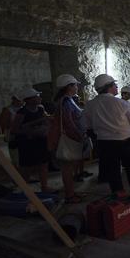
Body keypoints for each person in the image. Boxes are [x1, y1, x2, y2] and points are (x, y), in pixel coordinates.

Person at [84, 74, 130, 194]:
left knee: (113, 170)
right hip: (124, 141)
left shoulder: (90, 105)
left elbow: (88, 125)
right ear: (109, 87)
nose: (117, 87)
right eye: (115, 85)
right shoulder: (120, 103)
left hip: (104, 143)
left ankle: (118, 193)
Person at [50, 74, 85, 203]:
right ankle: (69, 195)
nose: (77, 87)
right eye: (75, 85)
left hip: (71, 137)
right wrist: (79, 135)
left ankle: (71, 192)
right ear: (69, 86)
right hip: (68, 138)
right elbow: (68, 122)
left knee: (69, 168)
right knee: (67, 169)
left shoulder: (67, 100)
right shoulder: (65, 102)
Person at [11, 87, 51, 192]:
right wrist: (31, 131)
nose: (40, 98)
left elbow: (45, 122)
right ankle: (23, 189)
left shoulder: (41, 109)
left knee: (43, 164)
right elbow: (15, 130)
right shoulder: (22, 112)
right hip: (27, 144)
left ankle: (44, 187)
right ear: (29, 100)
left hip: (40, 141)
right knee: (26, 167)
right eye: (37, 96)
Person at [0, 94, 24, 165]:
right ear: (14, 100)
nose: (21, 102)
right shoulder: (8, 110)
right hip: (12, 133)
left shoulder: (23, 108)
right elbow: (4, 123)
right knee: (14, 151)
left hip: (21, 132)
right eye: (18, 100)